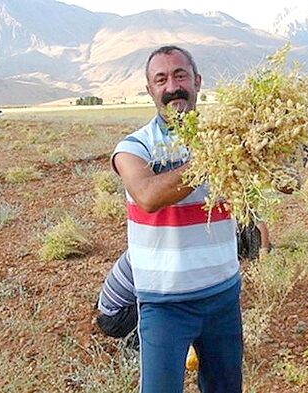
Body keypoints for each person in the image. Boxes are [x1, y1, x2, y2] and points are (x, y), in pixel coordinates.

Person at [111, 45, 242, 392]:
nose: (172, 86)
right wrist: (214, 157)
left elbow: (284, 185)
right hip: (164, 304)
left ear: (197, 81)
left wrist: (265, 149)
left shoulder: (231, 137)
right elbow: (149, 195)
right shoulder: (134, 147)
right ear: (150, 90)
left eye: (180, 75)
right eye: (161, 79)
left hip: (223, 296)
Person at [95, 252, 198, 370]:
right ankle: (140, 345)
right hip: (116, 316)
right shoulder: (159, 257)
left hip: (111, 309)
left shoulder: (146, 247)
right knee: (163, 311)